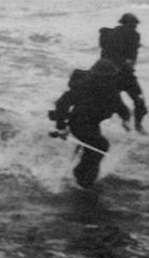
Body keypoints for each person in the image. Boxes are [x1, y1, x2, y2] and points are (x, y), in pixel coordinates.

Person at [49, 59, 131, 189]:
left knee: (93, 148)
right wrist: (61, 127)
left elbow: (120, 106)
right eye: (105, 78)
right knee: (101, 145)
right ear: (96, 76)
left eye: (110, 78)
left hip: (92, 124)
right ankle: (82, 177)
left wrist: (125, 120)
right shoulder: (83, 86)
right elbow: (62, 104)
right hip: (78, 123)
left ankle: (84, 177)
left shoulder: (110, 89)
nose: (107, 81)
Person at [99, 13, 146, 132]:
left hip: (115, 75)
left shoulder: (112, 34)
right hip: (119, 76)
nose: (135, 27)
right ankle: (135, 125)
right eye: (133, 25)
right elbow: (129, 59)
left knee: (116, 102)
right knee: (136, 101)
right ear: (128, 24)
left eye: (135, 25)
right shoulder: (131, 35)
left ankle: (131, 123)